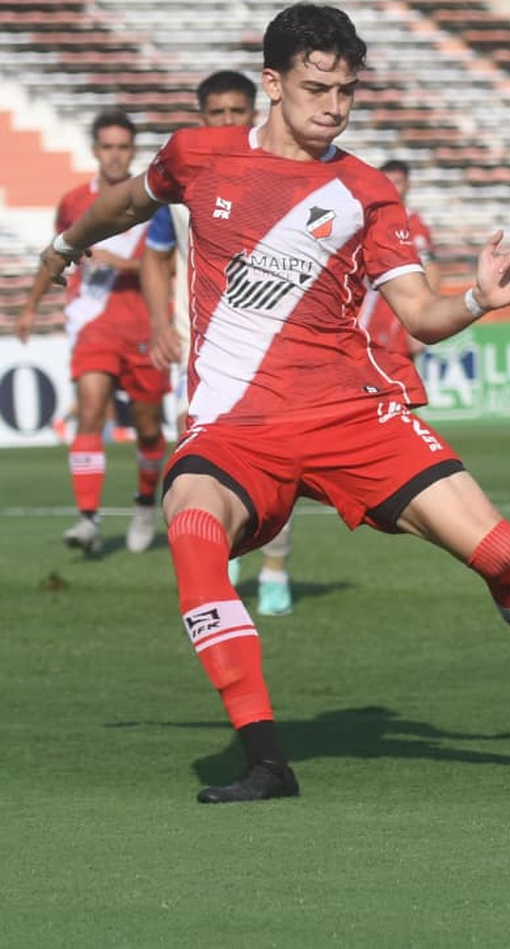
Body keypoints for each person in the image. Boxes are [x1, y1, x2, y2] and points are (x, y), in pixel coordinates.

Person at [31, 2, 510, 804]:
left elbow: (423, 316)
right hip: (233, 429)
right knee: (192, 529)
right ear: (273, 83)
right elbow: (128, 202)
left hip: (350, 414)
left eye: (347, 91)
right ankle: (266, 757)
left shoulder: (366, 192)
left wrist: (476, 295)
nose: (333, 106)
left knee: (505, 557)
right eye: (316, 88)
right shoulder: (197, 156)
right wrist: (64, 245)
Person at [140, 70, 300, 617]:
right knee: (198, 448)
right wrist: (159, 322)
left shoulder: (283, 175)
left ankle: (275, 566)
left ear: (254, 111)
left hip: (273, 346)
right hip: (199, 345)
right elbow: (156, 255)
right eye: (218, 114)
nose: (229, 122)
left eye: (238, 112)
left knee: (280, 455)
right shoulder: (185, 182)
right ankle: (222, 551)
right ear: (201, 117)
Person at [17, 110, 170, 557]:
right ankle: (87, 519)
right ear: (96, 151)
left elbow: (168, 263)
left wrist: (121, 263)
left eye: (124, 147)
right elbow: (57, 254)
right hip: (93, 326)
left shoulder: (153, 201)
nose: (116, 155)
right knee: (89, 413)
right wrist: (30, 306)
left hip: (145, 325)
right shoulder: (72, 202)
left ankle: (145, 503)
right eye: (108, 147)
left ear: (133, 151)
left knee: (146, 430)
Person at [356, 158, 436, 407]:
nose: (393, 187)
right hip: (364, 315)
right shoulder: (368, 216)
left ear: (408, 185)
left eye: (398, 182)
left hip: (394, 316)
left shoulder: (413, 223)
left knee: (396, 392)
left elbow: (431, 270)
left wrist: (423, 323)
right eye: (388, 181)